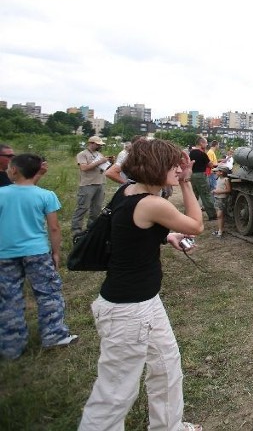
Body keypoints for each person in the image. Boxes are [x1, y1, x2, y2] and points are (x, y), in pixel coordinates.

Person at [78, 139, 203, 430]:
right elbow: (196, 225)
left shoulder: (128, 191)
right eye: (173, 164)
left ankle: (169, 426)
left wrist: (165, 236)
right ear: (156, 166)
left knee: (166, 366)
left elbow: (128, 230)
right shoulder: (152, 202)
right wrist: (186, 183)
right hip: (128, 311)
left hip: (145, 302)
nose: (178, 168)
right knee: (115, 394)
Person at [0, 154, 77, 360]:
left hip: (5, 254)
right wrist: (56, 252)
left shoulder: (1, 194)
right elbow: (54, 227)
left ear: (14, 170)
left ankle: (11, 345)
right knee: (48, 293)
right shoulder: (46, 195)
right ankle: (54, 334)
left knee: (9, 297)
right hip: (37, 251)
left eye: (9, 167)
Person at [72, 136, 110, 237]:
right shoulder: (82, 154)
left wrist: (109, 162)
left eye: (100, 145)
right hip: (87, 184)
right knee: (83, 207)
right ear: (91, 143)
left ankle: (91, 228)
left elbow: (103, 168)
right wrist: (99, 162)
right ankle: (76, 229)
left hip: (100, 183)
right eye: (98, 144)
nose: (99, 146)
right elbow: (83, 168)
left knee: (96, 208)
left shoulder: (99, 154)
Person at [189, 136, 217, 221]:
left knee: (193, 195)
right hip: (201, 175)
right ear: (201, 143)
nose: (207, 144)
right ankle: (212, 215)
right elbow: (210, 165)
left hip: (192, 175)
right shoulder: (202, 153)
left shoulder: (191, 153)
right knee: (206, 195)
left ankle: (189, 214)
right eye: (205, 143)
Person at [211, 165, 231, 237]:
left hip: (222, 198)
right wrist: (215, 191)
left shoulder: (226, 179)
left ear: (221, 172)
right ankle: (220, 230)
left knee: (220, 215)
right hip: (217, 198)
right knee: (219, 215)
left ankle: (220, 230)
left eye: (217, 171)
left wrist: (219, 191)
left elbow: (228, 190)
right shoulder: (218, 178)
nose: (215, 172)